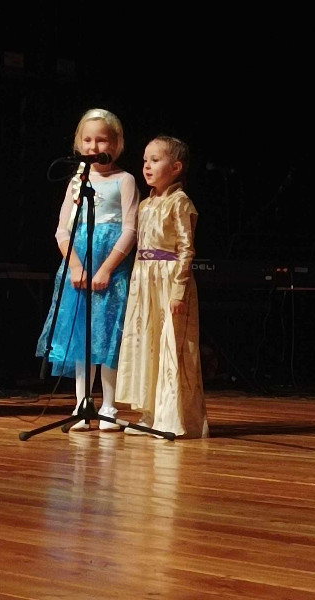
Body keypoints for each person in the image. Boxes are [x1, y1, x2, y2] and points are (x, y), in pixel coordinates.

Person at [37, 108, 140, 431]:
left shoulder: (125, 180)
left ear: (116, 143)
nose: (94, 146)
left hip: (111, 268)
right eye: (88, 140)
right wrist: (75, 265)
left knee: (108, 335)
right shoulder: (76, 181)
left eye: (102, 140)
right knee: (81, 335)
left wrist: (107, 268)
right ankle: (82, 403)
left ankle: (108, 405)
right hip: (78, 267)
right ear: (78, 143)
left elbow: (130, 229)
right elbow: (62, 230)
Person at [115, 135, 209, 439]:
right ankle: (149, 413)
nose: (147, 166)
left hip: (169, 280)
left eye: (155, 160)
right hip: (145, 281)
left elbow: (186, 249)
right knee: (148, 344)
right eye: (145, 160)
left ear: (176, 167)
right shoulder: (145, 204)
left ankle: (171, 418)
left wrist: (179, 290)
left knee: (170, 345)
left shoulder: (179, 202)